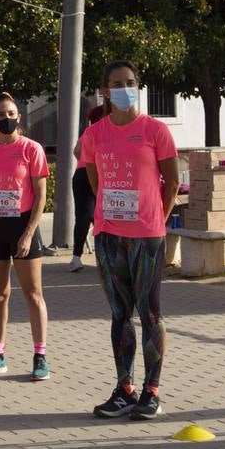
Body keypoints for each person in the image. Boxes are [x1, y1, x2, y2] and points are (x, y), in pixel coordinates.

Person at [80, 61, 179, 420]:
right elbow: (96, 182)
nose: (125, 88)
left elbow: (171, 181)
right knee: (120, 314)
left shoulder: (155, 130)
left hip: (147, 237)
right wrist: (111, 218)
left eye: (131, 82)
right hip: (109, 236)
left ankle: (151, 392)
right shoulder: (93, 135)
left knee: (149, 312)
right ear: (105, 90)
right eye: (117, 83)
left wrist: (156, 220)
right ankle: (125, 388)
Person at [0, 92, 51, 381]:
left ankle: (40, 357)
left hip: (22, 227)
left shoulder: (31, 149)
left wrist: (29, 232)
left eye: (12, 114)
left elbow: (40, 196)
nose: (7, 119)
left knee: (33, 294)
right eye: (1, 115)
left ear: (20, 116)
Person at [68, 98, 108, 273]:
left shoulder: (89, 132)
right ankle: (105, 256)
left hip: (82, 174)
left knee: (83, 216)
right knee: (104, 216)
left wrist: (84, 161)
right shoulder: (111, 131)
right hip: (106, 175)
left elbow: (76, 150)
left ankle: (76, 257)